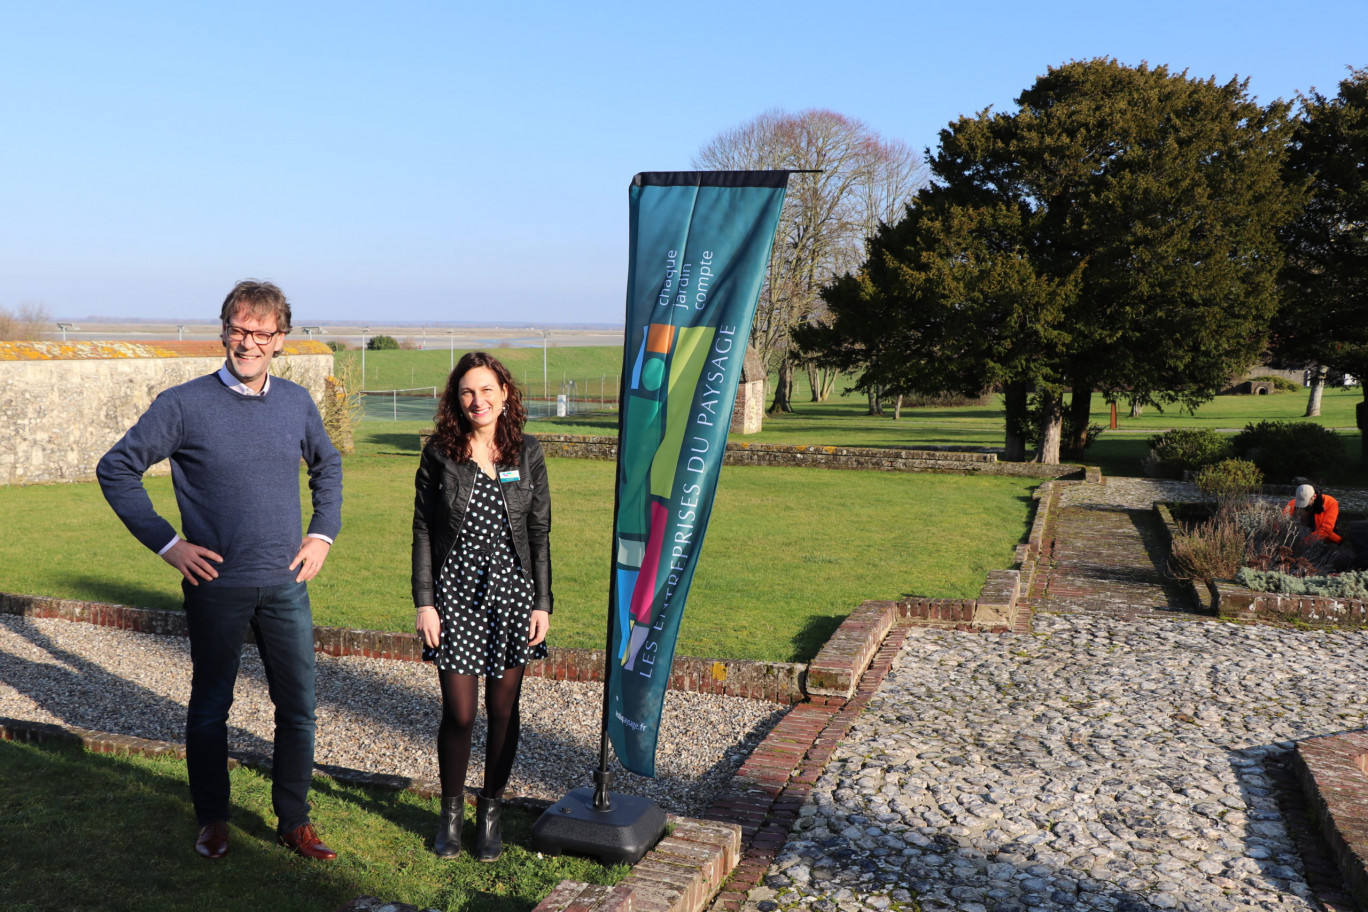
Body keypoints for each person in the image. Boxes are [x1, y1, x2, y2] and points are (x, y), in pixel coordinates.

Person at [97, 280, 343, 862]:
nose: (248, 342)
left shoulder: (295, 403)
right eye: (239, 329)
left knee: (299, 706)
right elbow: (117, 469)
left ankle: (294, 821)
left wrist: (322, 534)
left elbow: (327, 467)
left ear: (280, 341)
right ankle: (212, 819)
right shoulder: (183, 405)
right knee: (211, 707)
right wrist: (169, 545)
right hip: (215, 588)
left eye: (262, 333)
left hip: (286, 583)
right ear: (223, 331)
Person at [411, 351, 552, 861]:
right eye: (468, 391)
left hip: (514, 595)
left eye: (487, 390)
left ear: (505, 394)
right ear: (456, 398)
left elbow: (538, 532)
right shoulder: (440, 455)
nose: (478, 400)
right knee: (461, 712)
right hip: (456, 595)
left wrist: (543, 602)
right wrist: (425, 603)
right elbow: (424, 530)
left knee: (502, 709)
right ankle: (450, 817)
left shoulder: (527, 452)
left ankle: (490, 813)